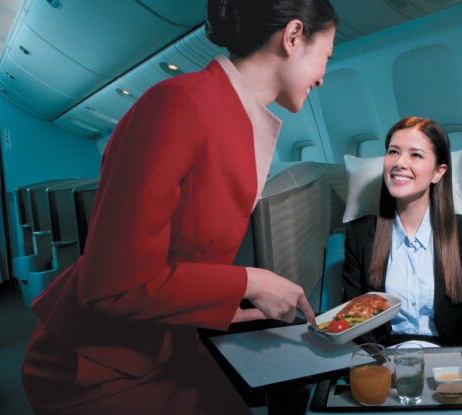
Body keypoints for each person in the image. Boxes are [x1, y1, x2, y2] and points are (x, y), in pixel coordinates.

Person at [21, 1, 338, 414]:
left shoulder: (236, 118)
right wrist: (251, 283)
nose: (324, 75)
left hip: (169, 345)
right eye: (326, 57)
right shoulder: (176, 105)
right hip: (97, 368)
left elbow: (180, 257)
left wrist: (229, 310)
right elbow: (111, 286)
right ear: (293, 37)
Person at [342, 117, 462, 347]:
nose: (399, 162)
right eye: (393, 152)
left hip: (448, 360)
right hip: (382, 357)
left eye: (415, 155)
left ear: (438, 173)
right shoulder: (360, 235)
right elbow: (354, 322)